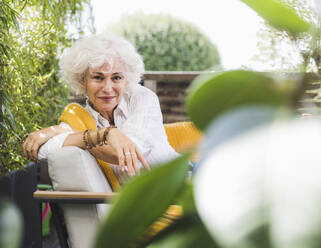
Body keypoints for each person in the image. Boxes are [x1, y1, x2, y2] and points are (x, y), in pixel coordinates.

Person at [23, 34, 180, 180]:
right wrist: (103, 135)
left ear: (127, 79)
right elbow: (44, 150)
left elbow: (130, 152)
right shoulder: (80, 118)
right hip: (151, 196)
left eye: (117, 77)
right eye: (98, 77)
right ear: (82, 80)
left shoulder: (142, 98)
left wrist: (71, 134)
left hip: (183, 177)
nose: (107, 88)